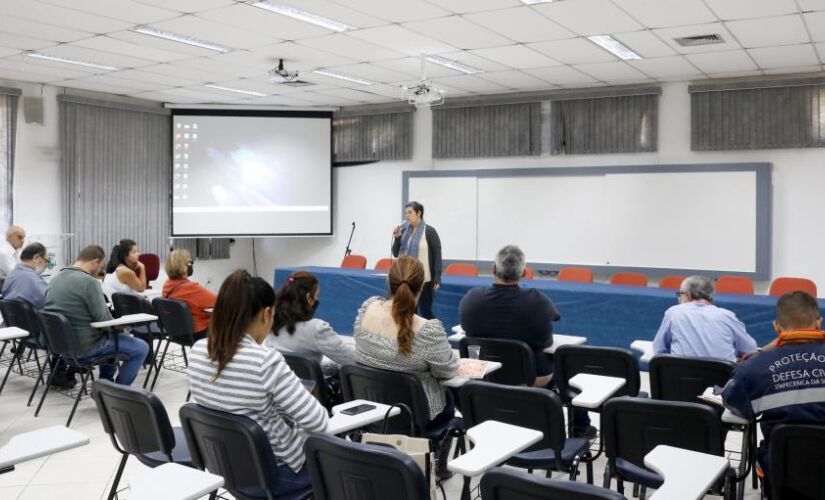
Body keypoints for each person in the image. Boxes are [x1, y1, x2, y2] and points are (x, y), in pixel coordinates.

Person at [188, 270, 328, 497]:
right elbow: (319, 423)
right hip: (276, 475)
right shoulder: (265, 362)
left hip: (224, 467)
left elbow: (235, 405)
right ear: (266, 314)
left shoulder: (197, 351)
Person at [458, 245, 594, 437]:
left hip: (484, 375)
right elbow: (553, 321)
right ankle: (581, 429)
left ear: (493, 269)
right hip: (532, 379)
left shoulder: (471, 299)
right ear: (524, 272)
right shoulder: (537, 302)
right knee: (569, 370)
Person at [722, 291, 825, 478]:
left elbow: (734, 402)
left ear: (777, 328)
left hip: (782, 469)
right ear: (819, 323)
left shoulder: (753, 368)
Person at [354, 255, 458, 429]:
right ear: (423, 286)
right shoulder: (428, 330)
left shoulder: (367, 308)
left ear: (389, 281)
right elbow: (447, 371)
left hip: (370, 409)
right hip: (417, 416)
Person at [45, 245, 149, 385]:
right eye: (101, 266)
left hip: (62, 349)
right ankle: (117, 392)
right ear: (95, 262)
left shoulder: (55, 279)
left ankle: (106, 386)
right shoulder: (89, 282)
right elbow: (104, 321)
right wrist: (123, 326)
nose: (100, 270)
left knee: (113, 338)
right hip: (86, 348)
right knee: (141, 347)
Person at [268, 271, 355, 376]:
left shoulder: (271, 323)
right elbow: (351, 360)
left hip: (279, 385)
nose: (317, 300)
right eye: (316, 296)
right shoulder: (316, 329)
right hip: (308, 389)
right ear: (309, 298)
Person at [652, 276, 758, 362]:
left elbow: (659, 349)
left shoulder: (673, 312)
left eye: (680, 295)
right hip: (721, 384)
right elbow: (750, 349)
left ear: (688, 296)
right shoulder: (727, 316)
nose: (679, 299)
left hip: (681, 383)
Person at [392, 201, 442, 319]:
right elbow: (395, 253)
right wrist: (398, 238)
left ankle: (434, 333)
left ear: (419, 213)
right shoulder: (404, 232)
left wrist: (437, 277)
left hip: (425, 279)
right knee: (409, 311)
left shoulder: (429, 231)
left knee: (425, 312)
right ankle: (411, 336)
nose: (407, 216)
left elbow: (437, 255)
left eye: (410, 212)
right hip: (408, 278)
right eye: (406, 213)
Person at [162, 249, 216, 340]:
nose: (191, 264)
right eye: (189, 262)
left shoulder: (167, 284)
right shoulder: (191, 288)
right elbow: (219, 302)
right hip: (197, 333)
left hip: (175, 333)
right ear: (182, 266)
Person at [1, 242, 49, 311]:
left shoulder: (10, 276)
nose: (46, 265)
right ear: (36, 258)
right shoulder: (34, 280)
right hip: (34, 320)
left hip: (13, 320)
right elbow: (49, 304)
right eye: (46, 260)